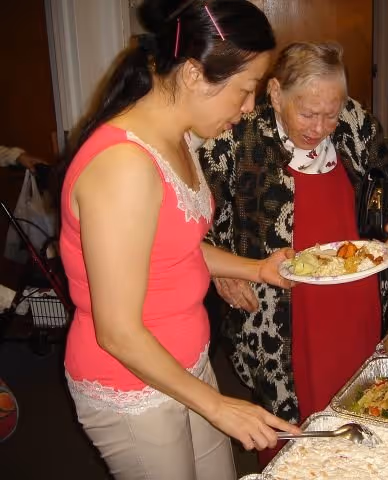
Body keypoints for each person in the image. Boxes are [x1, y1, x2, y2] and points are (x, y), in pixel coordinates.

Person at [58, 1, 299, 479]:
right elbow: (118, 331)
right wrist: (218, 406)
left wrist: (256, 269)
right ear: (194, 73)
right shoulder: (125, 167)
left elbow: (172, 249)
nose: (249, 107)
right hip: (130, 382)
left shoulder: (181, 139)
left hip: (184, 363)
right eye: (245, 90)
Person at [199, 41, 388, 464]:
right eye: (308, 113)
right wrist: (220, 270)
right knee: (291, 422)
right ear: (277, 93)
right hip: (278, 308)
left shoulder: (354, 120)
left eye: (330, 114)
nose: (320, 127)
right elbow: (192, 221)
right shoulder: (236, 138)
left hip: (358, 295)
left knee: (365, 404)